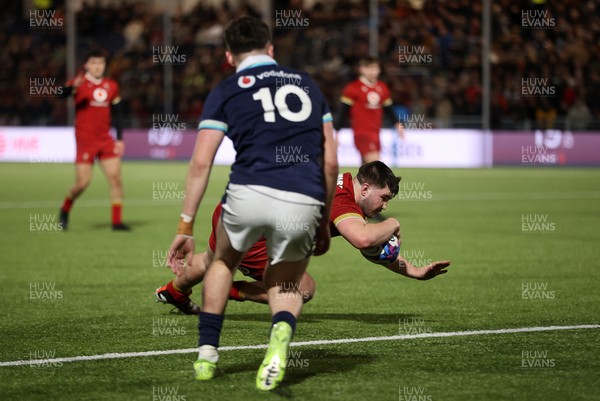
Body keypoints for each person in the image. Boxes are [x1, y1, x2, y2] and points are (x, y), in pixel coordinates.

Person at [165, 16, 338, 391]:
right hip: (303, 197)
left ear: (229, 56)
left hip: (248, 192)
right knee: (287, 280)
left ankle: (207, 354)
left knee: (223, 262)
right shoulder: (308, 84)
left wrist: (185, 225)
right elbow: (331, 161)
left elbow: (201, 162)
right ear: (271, 49)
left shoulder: (228, 89)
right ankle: (279, 338)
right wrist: (322, 221)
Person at [157, 161, 451, 311]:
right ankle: (232, 290)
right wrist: (394, 224)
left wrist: (412, 270)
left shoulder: (342, 184)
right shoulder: (343, 200)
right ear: (365, 189)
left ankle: (174, 291)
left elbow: (373, 247)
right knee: (304, 288)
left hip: (233, 207)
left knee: (212, 258)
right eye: (384, 197)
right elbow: (364, 240)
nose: (385, 206)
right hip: (258, 233)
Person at [58, 50, 129, 231]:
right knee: (83, 183)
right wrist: (72, 86)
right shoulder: (79, 83)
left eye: (101, 63)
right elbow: (60, 94)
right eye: (94, 63)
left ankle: (117, 222)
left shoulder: (111, 85)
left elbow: (118, 113)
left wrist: (120, 139)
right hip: (85, 140)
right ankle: (65, 208)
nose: (98, 66)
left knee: (115, 179)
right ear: (87, 65)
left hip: (105, 139)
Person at [334, 56, 405, 164]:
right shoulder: (353, 88)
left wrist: (397, 124)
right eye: (369, 68)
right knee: (376, 167)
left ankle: (350, 181)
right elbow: (343, 112)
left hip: (376, 132)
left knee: (366, 170)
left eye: (375, 68)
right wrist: (336, 132)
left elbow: (388, 109)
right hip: (362, 133)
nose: (373, 72)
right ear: (362, 69)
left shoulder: (382, 88)